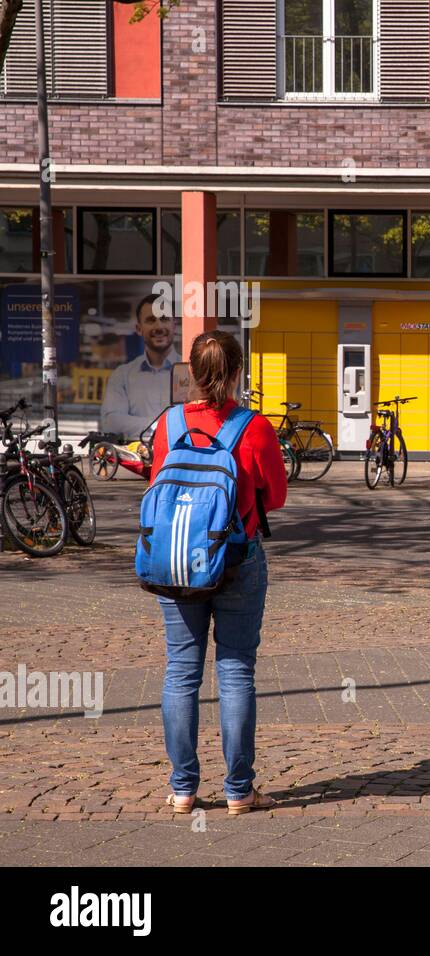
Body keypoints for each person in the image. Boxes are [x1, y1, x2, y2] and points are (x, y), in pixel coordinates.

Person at [151, 330, 287, 816]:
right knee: (235, 671)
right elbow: (275, 497)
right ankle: (238, 790)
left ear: (190, 372)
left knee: (180, 672)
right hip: (236, 559)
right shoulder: (255, 427)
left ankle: (183, 789)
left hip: (175, 564)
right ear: (236, 373)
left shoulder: (168, 425)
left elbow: (157, 491)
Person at [101, 295, 181, 437]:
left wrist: (139, 425)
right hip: (136, 456)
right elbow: (111, 422)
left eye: (164, 319)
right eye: (151, 320)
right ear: (139, 329)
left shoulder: (191, 373)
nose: (159, 327)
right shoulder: (122, 376)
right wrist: (160, 426)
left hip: (179, 458)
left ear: (174, 325)